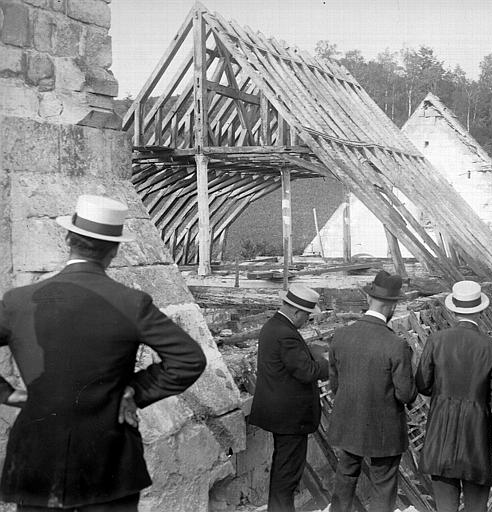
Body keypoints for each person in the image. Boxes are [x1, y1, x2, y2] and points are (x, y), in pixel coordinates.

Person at [0, 194, 206, 511]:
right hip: (108, 462)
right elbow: (190, 359)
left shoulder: (17, 302)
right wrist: (133, 391)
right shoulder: (130, 303)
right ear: (114, 250)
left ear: (68, 239)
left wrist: (8, 393)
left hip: (37, 461)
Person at [415, 280, 492, 512]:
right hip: (476, 437)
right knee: (476, 507)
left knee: (445, 507)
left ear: (453, 309)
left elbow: (423, 385)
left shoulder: (436, 340)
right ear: (480, 310)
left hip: (441, 434)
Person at [328, 270, 417, 512]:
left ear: (368, 300)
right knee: (383, 484)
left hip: (348, 422)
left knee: (345, 476)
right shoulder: (396, 344)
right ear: (392, 307)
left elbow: (335, 383)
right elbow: (405, 394)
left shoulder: (341, 335)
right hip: (384, 429)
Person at [248, 284, 329, 512]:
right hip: (290, 418)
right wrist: (325, 362)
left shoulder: (273, 327)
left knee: (283, 471)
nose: (306, 321)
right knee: (287, 475)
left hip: (281, 414)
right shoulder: (286, 335)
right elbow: (308, 372)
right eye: (306, 316)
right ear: (297, 312)